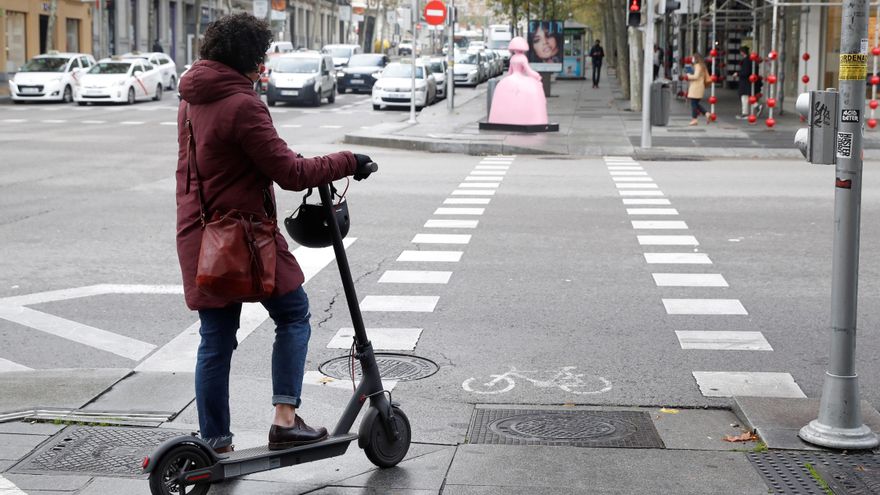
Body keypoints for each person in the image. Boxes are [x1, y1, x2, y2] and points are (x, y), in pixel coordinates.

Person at [175, 12, 375, 454]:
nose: (263, 66)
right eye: (261, 57)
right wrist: (349, 160)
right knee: (293, 313)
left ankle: (214, 441)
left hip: (199, 234)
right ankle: (285, 419)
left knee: (215, 336)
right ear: (250, 59)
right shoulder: (242, 103)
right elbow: (289, 173)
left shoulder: (192, 99)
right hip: (243, 237)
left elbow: (216, 162)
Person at [734, 46, 762, 119]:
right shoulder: (750, 60)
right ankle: (757, 106)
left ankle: (745, 113)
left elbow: (745, 72)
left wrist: (738, 74)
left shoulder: (746, 60)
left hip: (745, 82)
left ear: (742, 52)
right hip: (749, 81)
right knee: (748, 97)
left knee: (744, 97)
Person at [686, 52, 711, 126]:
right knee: (695, 104)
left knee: (694, 104)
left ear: (696, 58)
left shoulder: (697, 66)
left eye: (693, 58)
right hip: (699, 87)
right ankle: (706, 113)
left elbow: (696, 76)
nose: (692, 59)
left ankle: (694, 119)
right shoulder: (702, 66)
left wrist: (689, 75)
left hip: (696, 87)